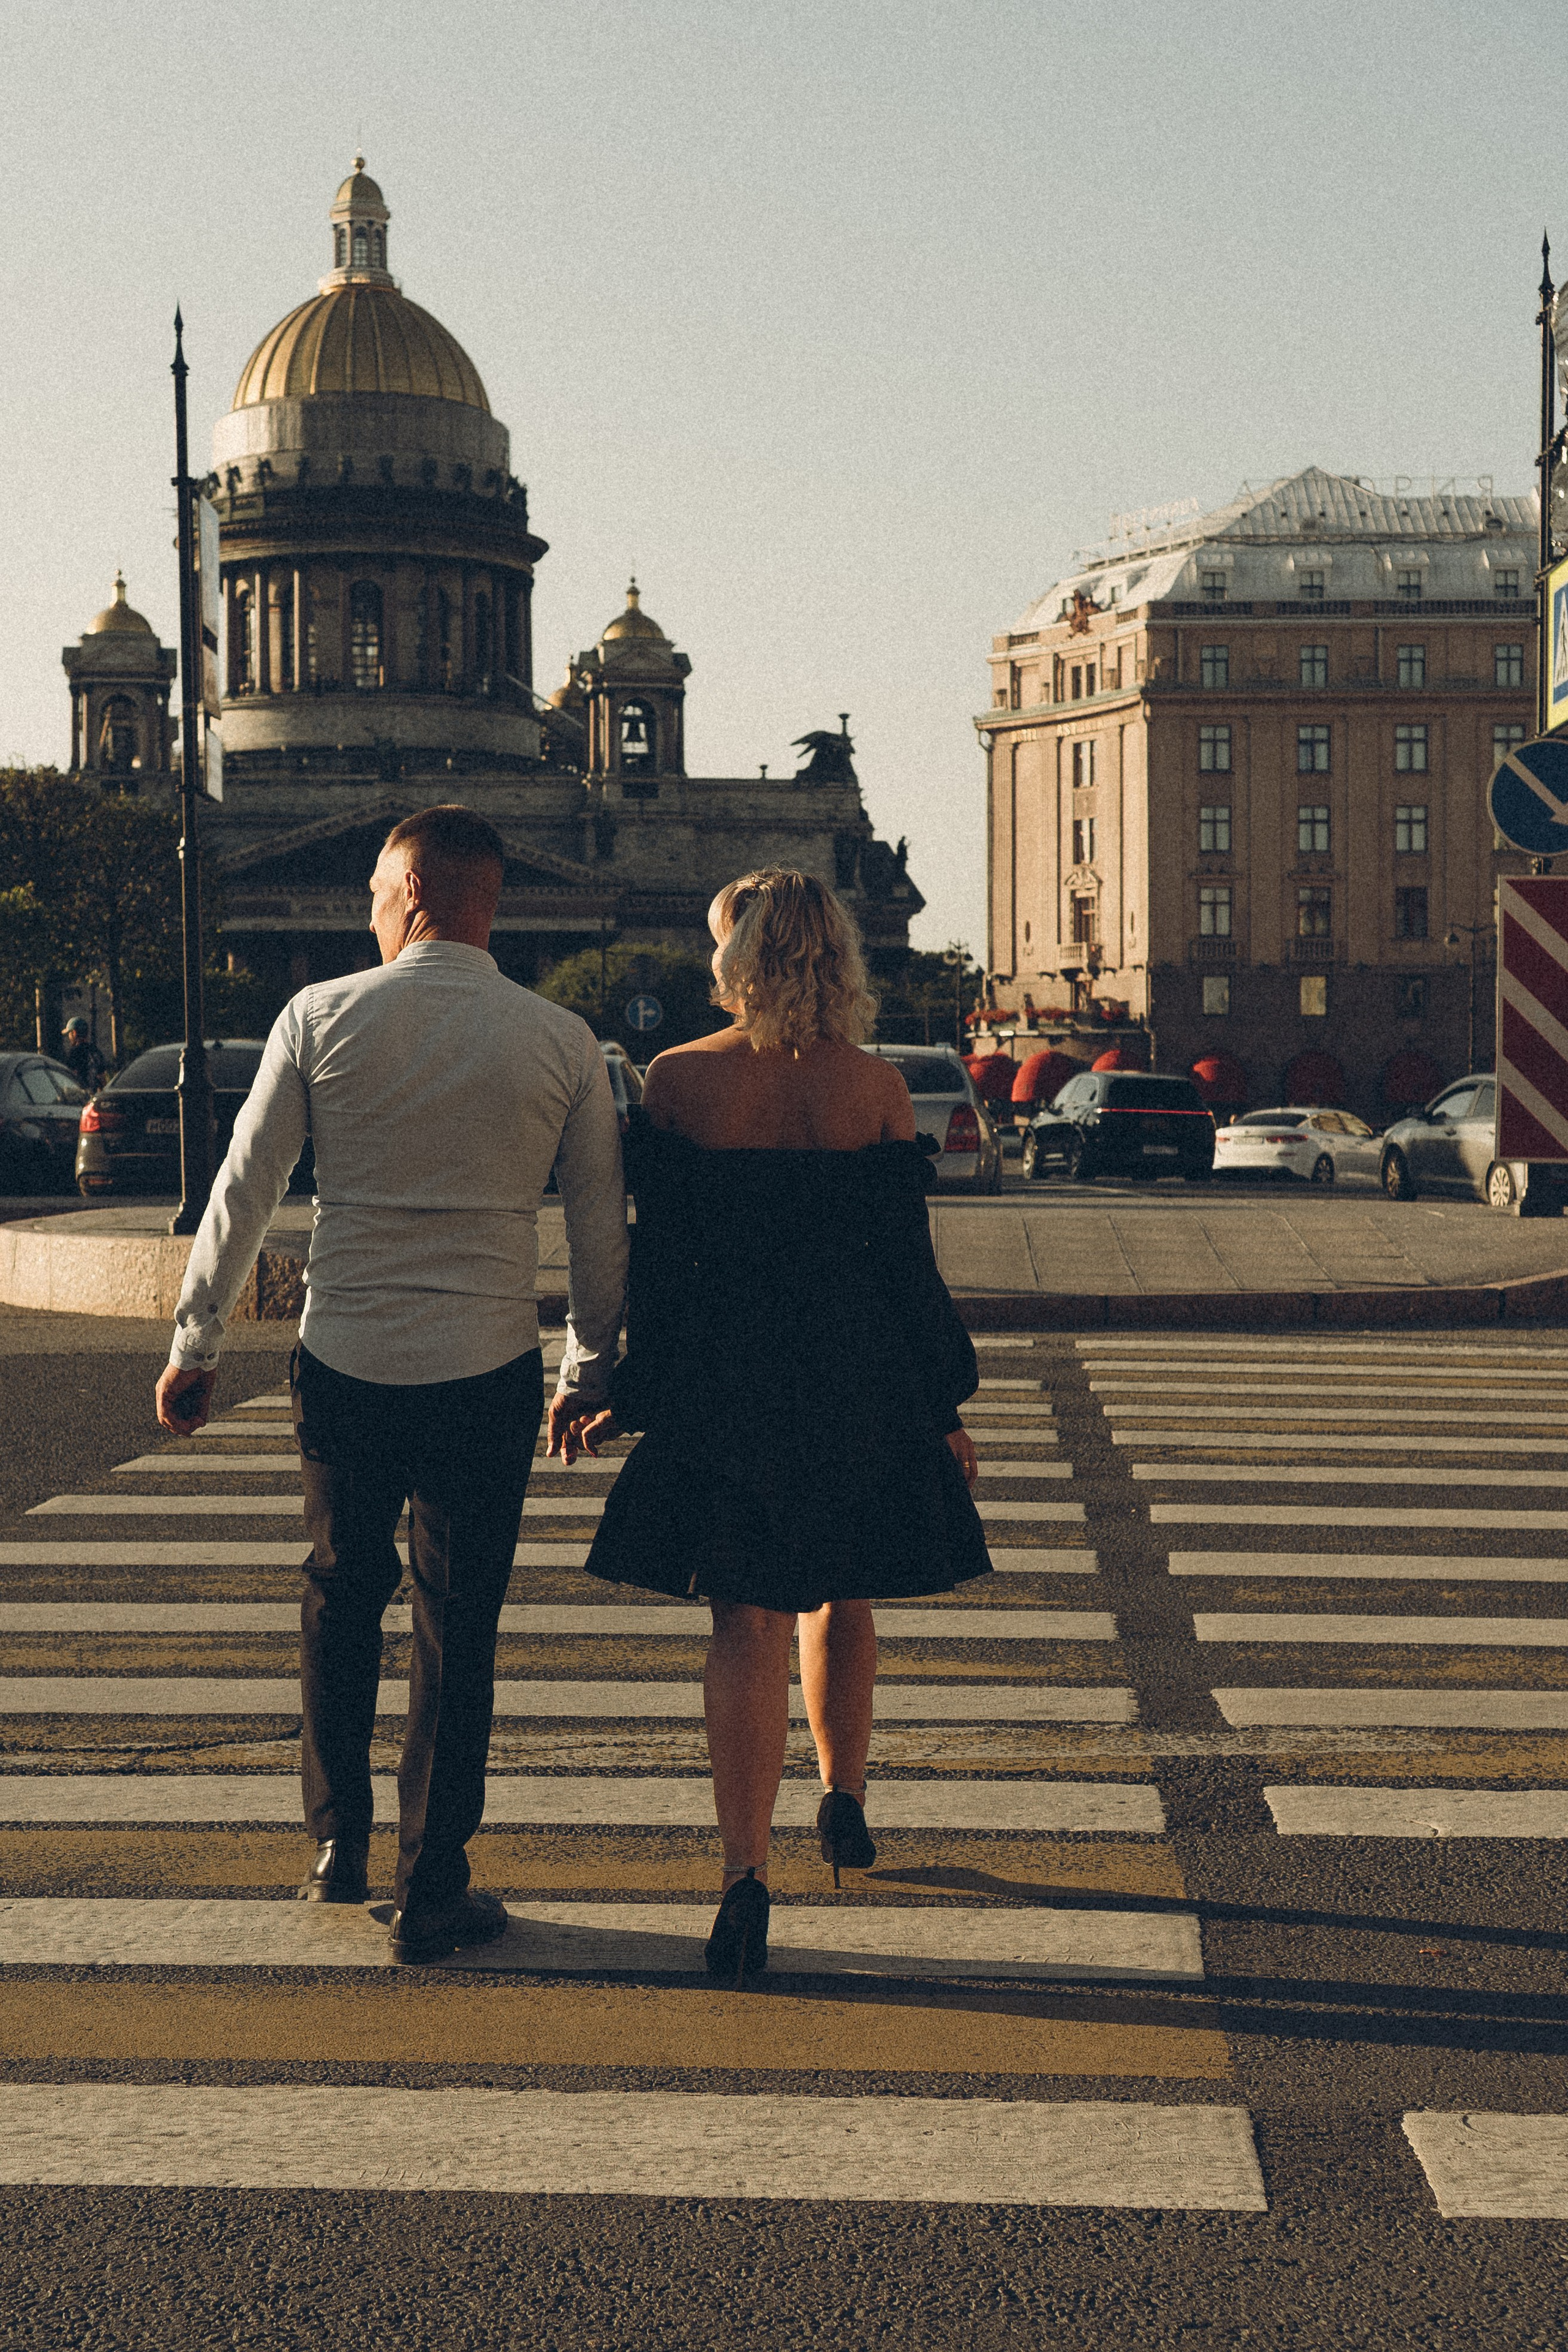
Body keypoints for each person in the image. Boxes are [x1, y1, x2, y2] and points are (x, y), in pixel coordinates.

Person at [156, 805, 628, 1963]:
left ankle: (337, 1842)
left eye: (373, 888)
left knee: (337, 1589)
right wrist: (591, 1366)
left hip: (347, 1357)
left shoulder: (319, 1015)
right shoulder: (560, 1040)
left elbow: (242, 1192)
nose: (364, 907)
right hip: (486, 1364)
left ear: (411, 891)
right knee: (456, 1626)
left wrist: (196, 1342)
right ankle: (433, 1885)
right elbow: (599, 1229)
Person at [553, 867, 988, 1985]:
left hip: (727, 1383)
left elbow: (663, 1266)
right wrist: (942, 1409)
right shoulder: (878, 1089)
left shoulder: (680, 1082)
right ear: (839, 959)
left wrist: (618, 1386)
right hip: (856, 1382)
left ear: (736, 957)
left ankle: (743, 1877)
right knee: (845, 1589)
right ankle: (843, 1804)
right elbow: (907, 1276)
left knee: (741, 1626)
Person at [60, 1018, 106, 1091]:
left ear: (74, 1033)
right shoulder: (96, 1051)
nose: (69, 1037)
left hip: (80, 1096)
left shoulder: (74, 1053)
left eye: (69, 1033)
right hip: (93, 1096)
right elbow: (102, 1078)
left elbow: (69, 1078)